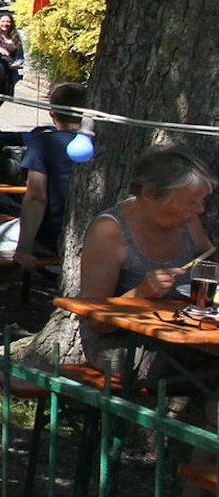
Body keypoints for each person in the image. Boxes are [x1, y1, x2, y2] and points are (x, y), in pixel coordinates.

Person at [76, 147, 216, 376]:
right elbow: (96, 321)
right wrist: (141, 293)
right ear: (150, 194)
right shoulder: (110, 231)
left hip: (181, 333)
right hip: (120, 343)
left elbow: (211, 264)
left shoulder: (189, 222)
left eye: (202, 201)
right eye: (191, 202)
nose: (199, 210)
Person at [12, 82, 86, 267]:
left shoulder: (43, 143)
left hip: (51, 237)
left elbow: (36, 198)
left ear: (52, 113)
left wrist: (23, 249)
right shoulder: (112, 145)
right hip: (97, 236)